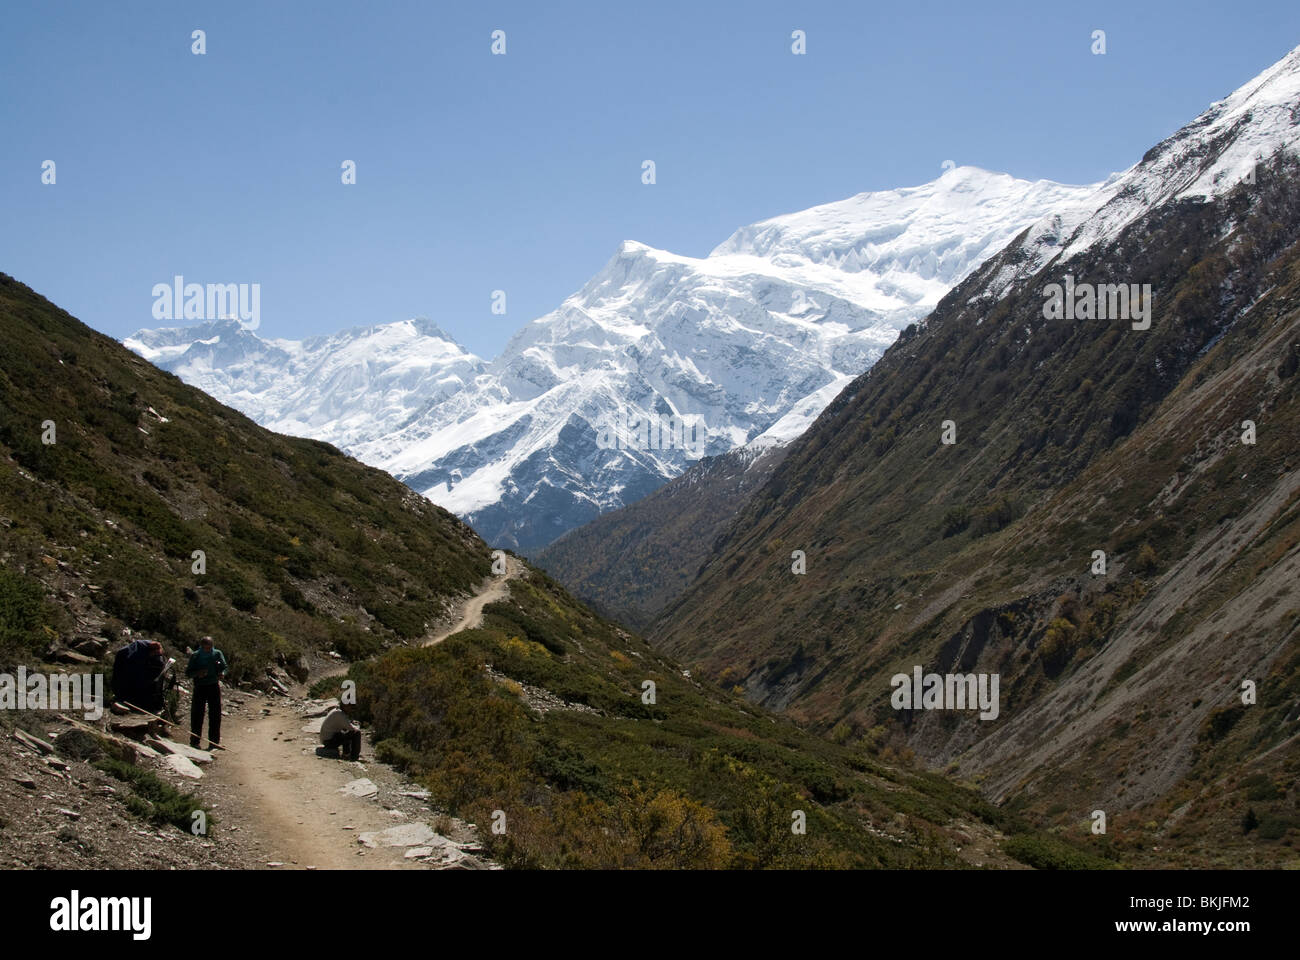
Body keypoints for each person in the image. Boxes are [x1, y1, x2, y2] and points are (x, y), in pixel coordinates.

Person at [186, 636, 227, 750]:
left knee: (215, 714)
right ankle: (194, 741)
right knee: (197, 714)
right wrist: (198, 673)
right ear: (202, 646)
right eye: (205, 647)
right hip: (200, 686)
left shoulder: (217, 654)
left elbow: (224, 666)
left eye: (209, 647)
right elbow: (188, 672)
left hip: (213, 685)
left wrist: (222, 673)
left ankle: (214, 742)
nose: (208, 649)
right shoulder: (196, 655)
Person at [111, 638, 166, 715]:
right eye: (154, 654)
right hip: (123, 663)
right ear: (151, 651)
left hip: (128, 660)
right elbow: (138, 674)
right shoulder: (140, 654)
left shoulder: (149, 645)